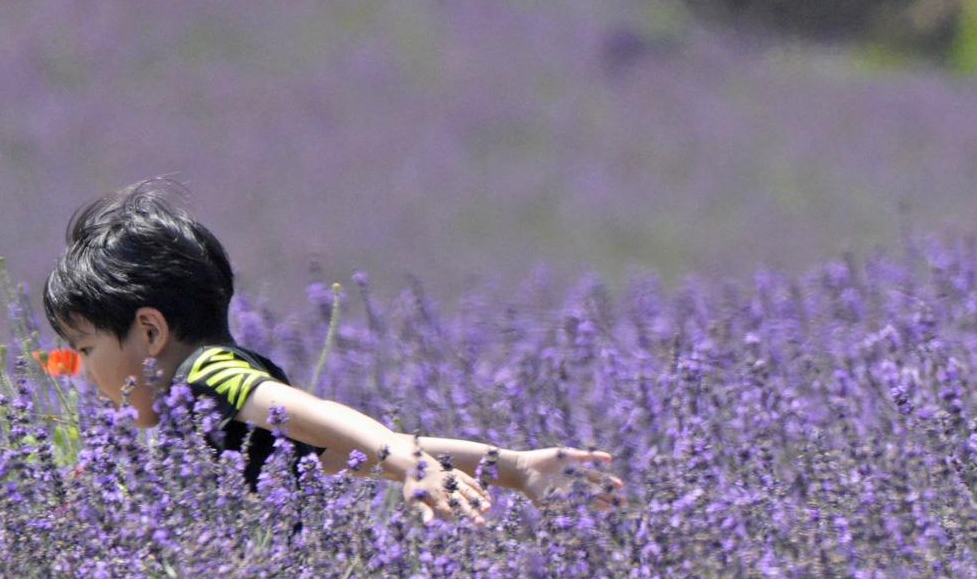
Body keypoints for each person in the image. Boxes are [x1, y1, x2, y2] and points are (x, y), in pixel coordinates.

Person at [37, 184, 613, 518]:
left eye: (85, 349)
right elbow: (341, 451)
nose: (83, 373)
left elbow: (326, 420)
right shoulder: (211, 426)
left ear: (150, 332)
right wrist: (512, 468)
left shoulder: (207, 375)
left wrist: (409, 464)